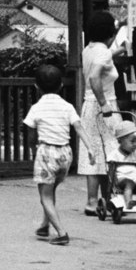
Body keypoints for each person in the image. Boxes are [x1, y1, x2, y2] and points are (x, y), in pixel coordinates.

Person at [23, 63, 83, 246]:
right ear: (61, 85)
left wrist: (33, 150)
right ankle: (44, 225)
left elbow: (31, 136)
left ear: (36, 86)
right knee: (50, 189)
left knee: (45, 196)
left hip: (47, 153)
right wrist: (90, 148)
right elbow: (78, 126)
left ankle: (61, 233)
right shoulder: (67, 106)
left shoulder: (36, 108)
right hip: (65, 153)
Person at [77, 9, 123, 215]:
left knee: (93, 149)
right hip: (105, 105)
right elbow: (95, 77)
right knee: (112, 148)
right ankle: (111, 196)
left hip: (88, 105)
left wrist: (119, 49)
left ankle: (92, 200)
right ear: (110, 33)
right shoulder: (103, 53)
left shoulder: (88, 50)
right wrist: (104, 104)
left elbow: (104, 56)